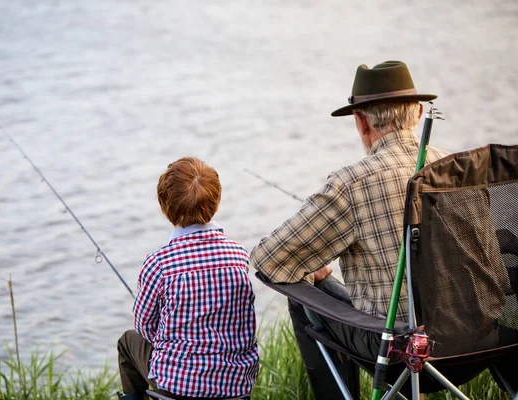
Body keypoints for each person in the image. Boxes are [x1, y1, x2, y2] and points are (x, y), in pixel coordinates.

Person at [249, 61, 448, 399]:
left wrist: (312, 268)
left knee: (303, 300)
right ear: (416, 113)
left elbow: (268, 259)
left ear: (360, 121)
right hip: (469, 344)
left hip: (398, 351)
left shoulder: (352, 183)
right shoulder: (454, 168)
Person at [117, 157, 259, 400]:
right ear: (216, 201)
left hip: (176, 386)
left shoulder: (159, 263)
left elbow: (143, 326)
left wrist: (170, 341)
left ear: (165, 208)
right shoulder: (239, 255)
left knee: (127, 342)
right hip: (235, 386)